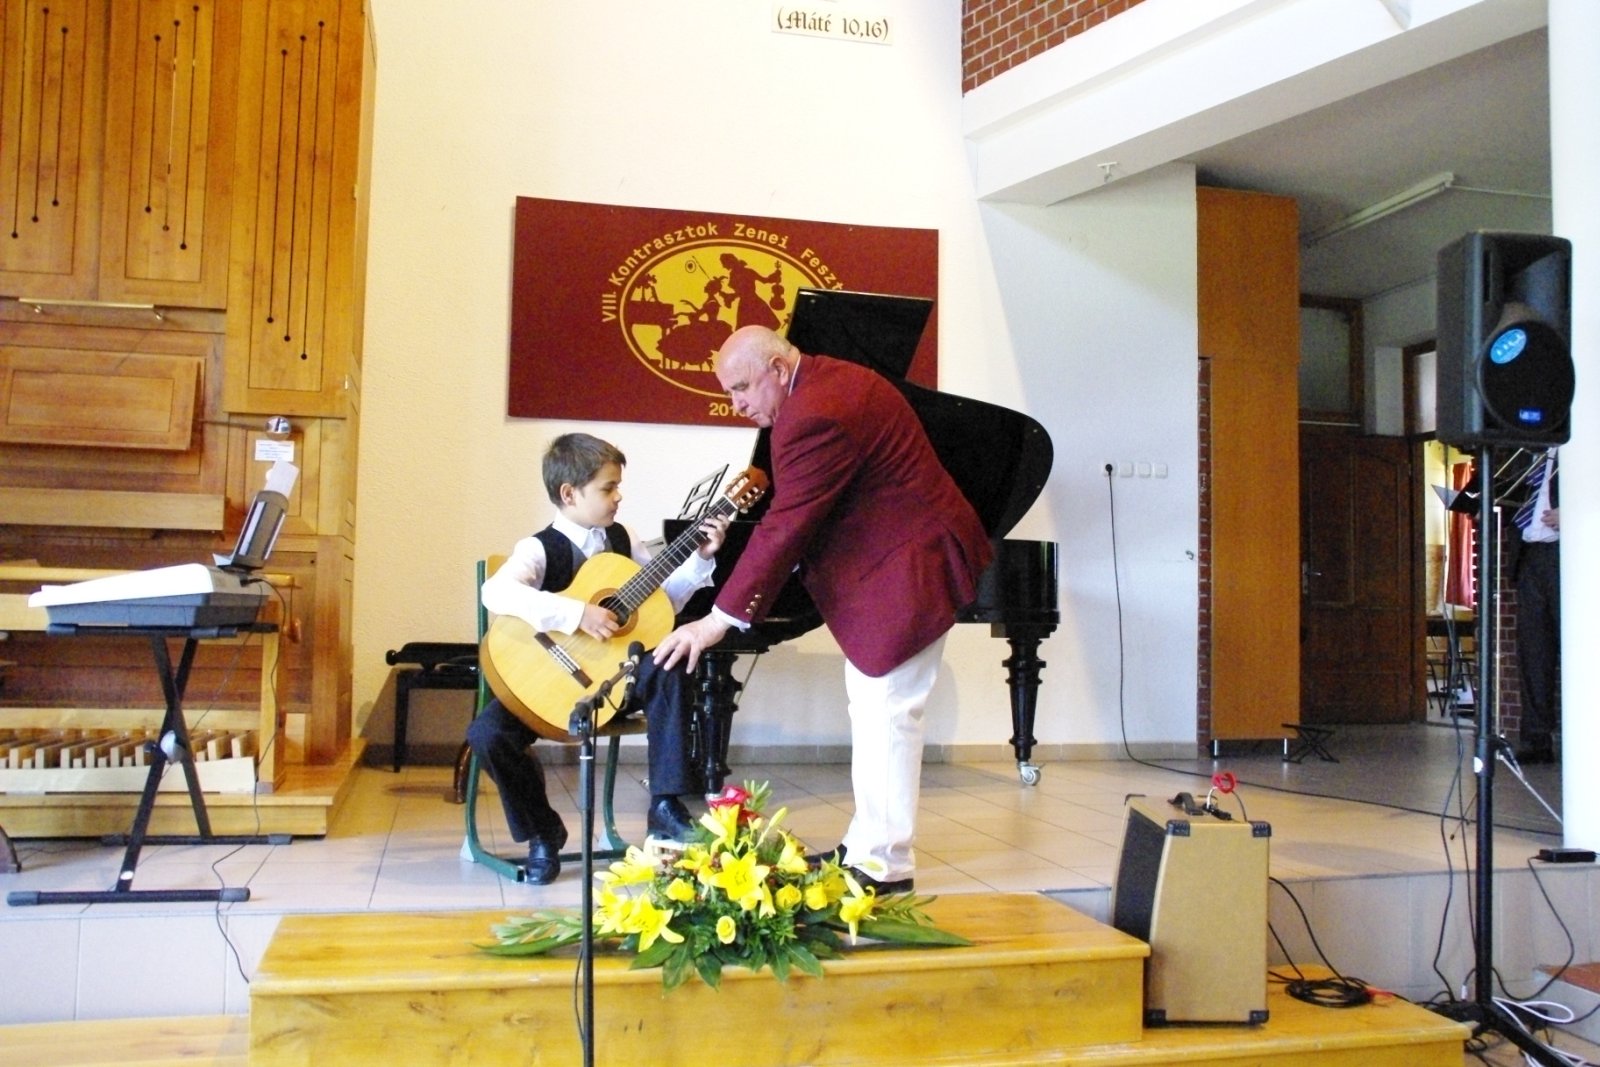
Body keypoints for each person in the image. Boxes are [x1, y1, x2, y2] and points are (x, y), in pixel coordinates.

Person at [653, 325, 992, 894]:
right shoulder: (826, 383)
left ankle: (884, 868)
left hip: (911, 569)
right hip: (896, 565)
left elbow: (787, 526)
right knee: (874, 706)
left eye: (741, 387)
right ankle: (865, 846)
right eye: (729, 392)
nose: (735, 404)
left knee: (889, 711)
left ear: (778, 369)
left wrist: (716, 620)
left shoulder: (814, 413)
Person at [467, 432, 728, 884]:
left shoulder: (623, 539)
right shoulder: (539, 548)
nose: (618, 496)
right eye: (608, 488)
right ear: (569, 493)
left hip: (614, 683)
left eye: (617, 486)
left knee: (670, 662)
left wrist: (700, 561)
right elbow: (497, 593)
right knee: (487, 734)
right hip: (550, 687)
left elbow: (659, 605)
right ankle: (543, 832)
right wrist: (576, 614)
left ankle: (665, 804)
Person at [1511, 448, 1560, 765]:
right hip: (1530, 557)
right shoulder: (1526, 454)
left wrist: (1574, 511)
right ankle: (1536, 740)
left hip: (1567, 553)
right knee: (1533, 652)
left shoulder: (1582, 448)